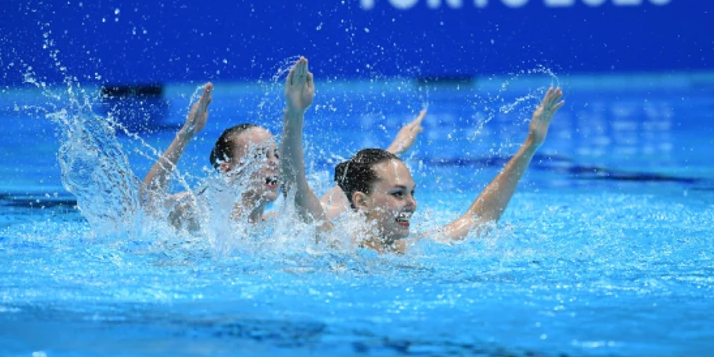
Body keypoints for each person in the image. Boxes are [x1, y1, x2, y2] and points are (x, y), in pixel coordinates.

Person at [280, 56, 565, 253]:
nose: (412, 204)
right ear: (361, 202)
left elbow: (479, 219)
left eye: (411, 193)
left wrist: (530, 146)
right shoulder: (338, 245)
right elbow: (296, 185)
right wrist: (295, 113)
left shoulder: (413, 246)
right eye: (398, 194)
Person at [140, 77, 426, 231]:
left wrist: (393, 151)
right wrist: (186, 134)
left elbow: (342, 197)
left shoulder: (278, 225)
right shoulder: (201, 213)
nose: (274, 165)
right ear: (227, 168)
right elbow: (149, 199)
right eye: (261, 156)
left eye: (276, 156)